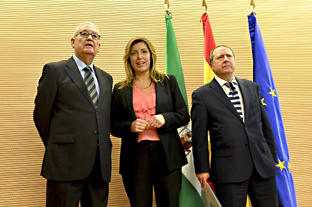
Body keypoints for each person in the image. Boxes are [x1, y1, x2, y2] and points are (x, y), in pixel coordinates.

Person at [33, 22, 113, 207]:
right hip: (64, 165)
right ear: (73, 41)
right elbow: (41, 116)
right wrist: (59, 146)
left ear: (99, 47)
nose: (90, 38)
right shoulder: (55, 71)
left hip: (99, 169)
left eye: (95, 36)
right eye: (84, 33)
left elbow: (103, 118)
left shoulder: (106, 79)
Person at [191, 45, 279, 207]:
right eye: (220, 57)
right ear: (211, 65)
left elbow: (265, 126)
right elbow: (199, 136)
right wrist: (202, 168)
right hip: (229, 172)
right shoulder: (202, 95)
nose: (226, 59)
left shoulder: (252, 87)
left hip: (262, 168)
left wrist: (271, 158)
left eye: (229, 56)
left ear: (234, 61)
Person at [111, 37, 189, 207]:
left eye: (144, 52)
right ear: (129, 59)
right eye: (134, 53)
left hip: (167, 155)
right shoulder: (119, 89)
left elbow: (184, 115)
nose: (140, 57)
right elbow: (113, 125)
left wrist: (165, 118)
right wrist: (130, 126)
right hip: (135, 157)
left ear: (151, 56)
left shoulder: (168, 82)